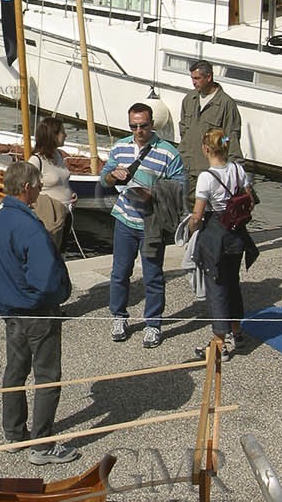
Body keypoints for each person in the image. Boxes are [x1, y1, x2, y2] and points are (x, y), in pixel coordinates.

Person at [0, 160, 77, 464]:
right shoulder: (29, 227)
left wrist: (3, 298)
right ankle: (42, 446)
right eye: (36, 184)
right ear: (26, 188)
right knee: (47, 376)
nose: (39, 189)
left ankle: (15, 435)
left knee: (15, 371)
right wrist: (55, 297)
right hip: (38, 312)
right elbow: (45, 277)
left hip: (9, 312)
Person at [99, 103, 185, 348]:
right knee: (119, 273)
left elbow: (180, 186)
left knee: (153, 276)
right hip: (125, 219)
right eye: (133, 126)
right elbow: (103, 179)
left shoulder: (169, 153)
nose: (138, 131)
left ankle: (153, 324)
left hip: (152, 223)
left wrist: (154, 192)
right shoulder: (120, 148)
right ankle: (118, 317)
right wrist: (112, 176)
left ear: (152, 125)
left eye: (143, 126)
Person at [189, 129, 259, 361]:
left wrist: (189, 230)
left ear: (206, 149)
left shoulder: (206, 178)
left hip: (216, 236)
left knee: (216, 287)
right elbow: (249, 198)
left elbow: (198, 215)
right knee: (233, 282)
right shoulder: (238, 170)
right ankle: (236, 331)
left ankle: (220, 343)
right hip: (237, 235)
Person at [178, 61, 243, 207]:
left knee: (211, 211)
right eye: (192, 78)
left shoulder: (226, 104)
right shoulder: (189, 99)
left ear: (209, 77)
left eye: (197, 78)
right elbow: (183, 129)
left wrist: (230, 166)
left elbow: (230, 138)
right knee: (190, 209)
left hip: (211, 171)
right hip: (188, 167)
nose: (194, 82)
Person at [29, 115, 74, 251]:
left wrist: (71, 194)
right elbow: (26, 189)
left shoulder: (58, 155)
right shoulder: (36, 161)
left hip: (65, 215)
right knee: (47, 254)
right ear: (52, 135)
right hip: (48, 218)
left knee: (59, 254)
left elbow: (62, 182)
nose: (65, 135)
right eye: (62, 132)